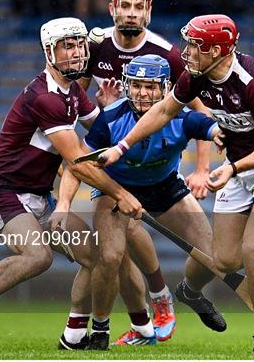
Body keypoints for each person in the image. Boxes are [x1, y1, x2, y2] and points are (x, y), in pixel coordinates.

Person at [97, 14, 254, 353]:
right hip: (237, 168)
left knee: (253, 247)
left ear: (217, 51)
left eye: (195, 45)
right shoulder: (194, 77)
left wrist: (232, 167)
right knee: (224, 259)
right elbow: (163, 112)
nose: (187, 52)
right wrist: (121, 147)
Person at [0, 17, 143, 350]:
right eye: (68, 45)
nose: (77, 52)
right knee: (38, 256)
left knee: (95, 257)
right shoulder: (46, 98)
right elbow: (79, 160)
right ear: (49, 52)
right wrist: (121, 194)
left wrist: (109, 108)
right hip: (5, 194)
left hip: (39, 196)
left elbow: (101, 133)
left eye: (80, 44)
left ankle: (74, 334)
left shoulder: (75, 91)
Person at [74, 0, 212, 342]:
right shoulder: (97, 45)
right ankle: (147, 313)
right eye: (125, 6)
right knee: (114, 252)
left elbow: (197, 112)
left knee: (211, 251)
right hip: (116, 173)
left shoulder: (167, 55)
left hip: (159, 169)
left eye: (139, 7)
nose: (132, 13)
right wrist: (98, 117)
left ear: (148, 10)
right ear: (112, 8)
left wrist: (201, 168)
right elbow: (76, 100)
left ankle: (172, 298)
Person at [61, 54, 229, 347]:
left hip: (165, 187)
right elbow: (77, 163)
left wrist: (218, 134)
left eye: (150, 87)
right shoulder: (111, 117)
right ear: (127, 85)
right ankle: (100, 329)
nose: (142, 93)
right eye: (136, 85)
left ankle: (187, 292)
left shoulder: (181, 117)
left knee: (213, 257)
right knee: (110, 256)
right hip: (116, 189)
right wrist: (69, 203)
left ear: (165, 89)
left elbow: (208, 125)